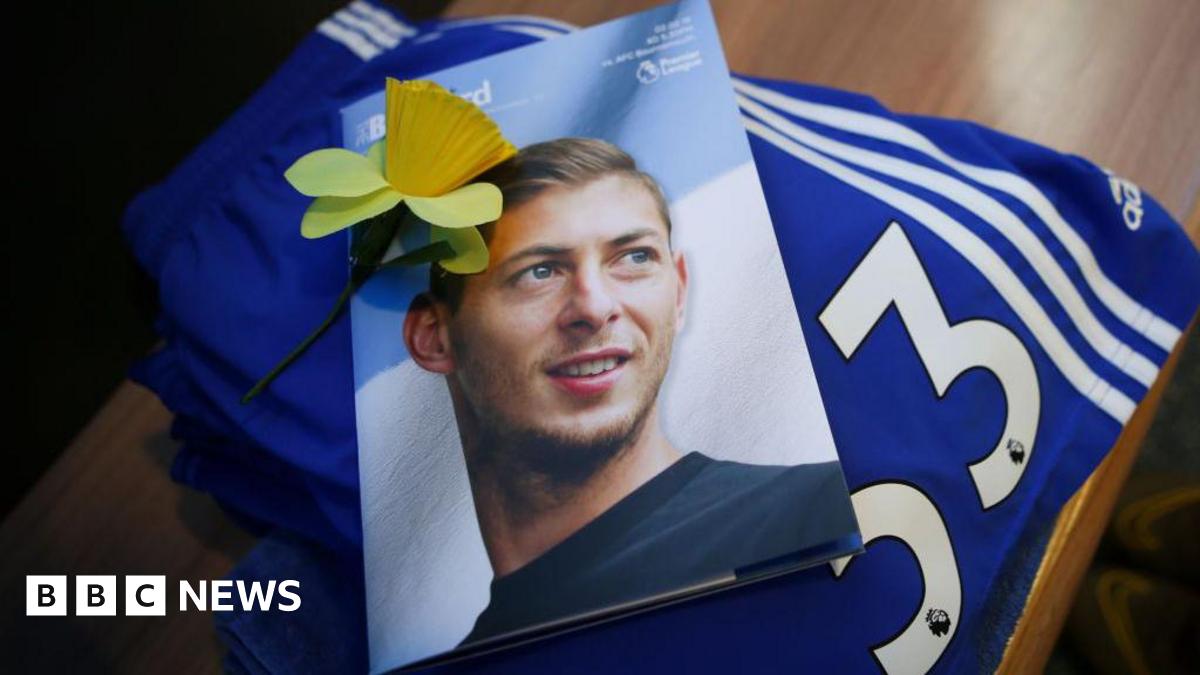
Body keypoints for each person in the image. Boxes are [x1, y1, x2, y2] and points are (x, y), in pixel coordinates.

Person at [403, 138, 856, 646]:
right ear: (434, 336)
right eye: (540, 271)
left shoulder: (819, 510)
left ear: (679, 291)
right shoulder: (455, 653)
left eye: (634, 256)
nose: (594, 308)